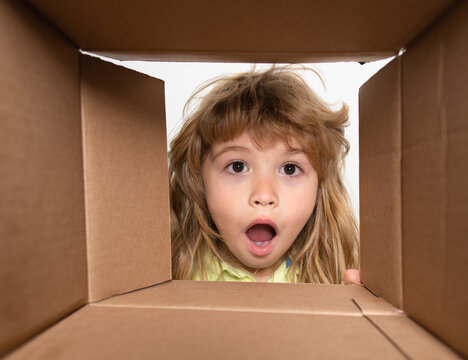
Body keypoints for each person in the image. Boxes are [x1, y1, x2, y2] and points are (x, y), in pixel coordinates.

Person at [169, 66, 360, 284]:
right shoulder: (170, 275)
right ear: (198, 181)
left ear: (318, 188)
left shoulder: (333, 280)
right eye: (238, 166)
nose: (264, 194)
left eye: (290, 169)